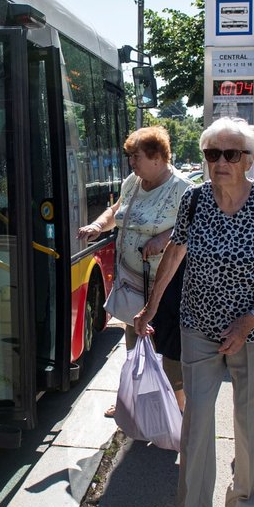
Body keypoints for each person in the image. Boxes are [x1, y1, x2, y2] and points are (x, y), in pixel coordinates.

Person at [135, 117, 254, 507]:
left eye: (231, 154)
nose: (220, 162)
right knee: (197, 420)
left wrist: (251, 319)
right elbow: (174, 253)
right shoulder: (194, 200)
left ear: (248, 160)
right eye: (212, 154)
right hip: (199, 324)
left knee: (251, 423)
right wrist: (149, 308)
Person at [77, 126, 191, 415]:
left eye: (135, 156)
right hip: (132, 281)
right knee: (134, 344)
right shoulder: (134, 181)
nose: (131, 162)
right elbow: (116, 211)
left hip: (165, 286)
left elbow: (195, 228)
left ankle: (176, 411)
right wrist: (97, 226)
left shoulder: (182, 188)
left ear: (157, 157)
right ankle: (133, 399)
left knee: (166, 348)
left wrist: (163, 239)